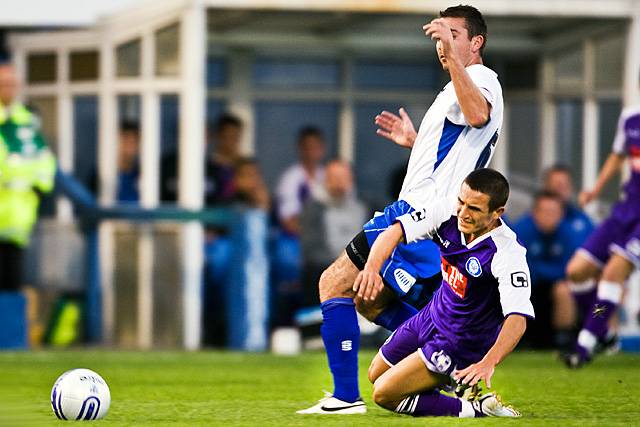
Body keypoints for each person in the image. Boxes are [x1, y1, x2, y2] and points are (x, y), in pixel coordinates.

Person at [299, 5, 503, 414]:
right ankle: (451, 360)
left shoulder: (480, 79)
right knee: (370, 302)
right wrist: (417, 142)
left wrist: (452, 63)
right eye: (439, 34)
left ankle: (345, 397)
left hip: (419, 212)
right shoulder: (459, 87)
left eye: (453, 35)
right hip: (430, 212)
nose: (442, 43)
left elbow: (479, 114)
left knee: (334, 283)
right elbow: (459, 152)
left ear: (475, 43)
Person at [361, 168, 531, 418]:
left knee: (385, 394)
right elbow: (395, 231)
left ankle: (478, 411)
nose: (463, 212)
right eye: (461, 202)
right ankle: (456, 384)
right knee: (375, 374)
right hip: (430, 317)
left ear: (497, 213)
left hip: (460, 341)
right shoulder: (446, 212)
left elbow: (518, 318)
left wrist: (488, 362)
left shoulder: (508, 253)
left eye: (474, 208)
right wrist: (371, 269)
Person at [563, 103, 640, 368]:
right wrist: (595, 190)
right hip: (626, 209)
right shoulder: (631, 117)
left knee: (612, 275)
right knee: (576, 271)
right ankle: (604, 332)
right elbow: (618, 156)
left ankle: (583, 346)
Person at [0, 63, 56, 292]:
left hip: (20, 221)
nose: (7, 89)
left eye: (11, 84)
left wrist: (39, 188)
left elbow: (44, 161)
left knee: (11, 289)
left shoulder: (26, 122)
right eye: (3, 84)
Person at [513, 191, 586, 350]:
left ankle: (563, 339)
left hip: (554, 286)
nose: (549, 217)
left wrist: (541, 271)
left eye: (554, 212)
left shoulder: (569, 233)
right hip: (526, 286)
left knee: (563, 289)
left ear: (561, 214)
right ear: (534, 213)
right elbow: (519, 267)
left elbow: (569, 269)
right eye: (545, 212)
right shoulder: (521, 230)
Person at [300, 160, 368, 307]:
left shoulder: (366, 206)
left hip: (364, 270)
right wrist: (342, 268)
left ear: (351, 180)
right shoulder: (313, 209)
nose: (339, 183)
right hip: (328, 270)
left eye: (343, 178)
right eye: (334, 178)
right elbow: (311, 251)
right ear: (325, 180)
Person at [160, 113, 243, 205]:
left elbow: (224, 203)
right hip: (169, 218)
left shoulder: (214, 169)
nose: (198, 139)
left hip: (207, 219)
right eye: (193, 132)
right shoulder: (164, 165)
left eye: (204, 134)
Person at [275, 126, 326, 236]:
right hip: (299, 237)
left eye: (315, 147)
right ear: (300, 149)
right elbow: (288, 221)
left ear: (322, 149)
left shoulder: (327, 176)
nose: (311, 152)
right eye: (307, 147)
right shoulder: (290, 179)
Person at [89, 121, 140, 203]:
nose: (131, 146)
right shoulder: (101, 174)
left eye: (135, 141)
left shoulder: (143, 175)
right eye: (126, 140)